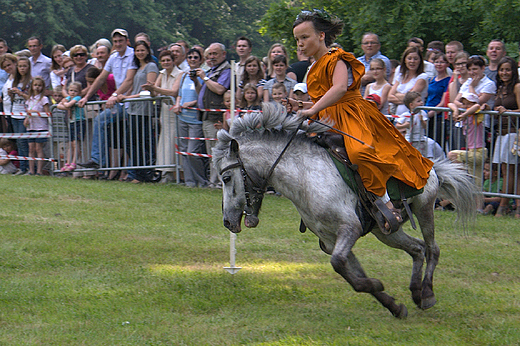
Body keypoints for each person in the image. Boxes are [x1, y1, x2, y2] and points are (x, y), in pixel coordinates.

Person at [293, 10, 433, 233]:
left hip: (352, 115)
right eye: (297, 40)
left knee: (360, 152)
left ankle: (390, 202)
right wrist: (301, 106)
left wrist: (313, 109)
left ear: (321, 35)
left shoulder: (337, 57)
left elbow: (339, 89)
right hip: (326, 118)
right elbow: (321, 99)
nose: (300, 44)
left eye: (304, 37)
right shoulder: (312, 67)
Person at [78, 28, 137, 170]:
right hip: (120, 101)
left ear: (127, 41)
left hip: (132, 100)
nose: (118, 43)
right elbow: (100, 78)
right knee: (103, 122)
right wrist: (86, 96)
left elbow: (129, 80)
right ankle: (98, 160)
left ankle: (101, 160)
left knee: (130, 136)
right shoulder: (114, 57)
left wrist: (114, 95)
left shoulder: (133, 55)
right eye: (115, 41)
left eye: (121, 41)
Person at [115, 40, 158, 183]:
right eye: (137, 50)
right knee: (131, 143)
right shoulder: (139, 67)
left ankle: (143, 174)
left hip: (143, 110)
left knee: (138, 142)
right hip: (133, 109)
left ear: (147, 51)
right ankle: (139, 173)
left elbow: (147, 89)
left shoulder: (151, 66)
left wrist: (127, 97)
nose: (140, 53)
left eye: (142, 50)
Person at [142, 49, 183, 183]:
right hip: (164, 112)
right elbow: (155, 94)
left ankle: (176, 173)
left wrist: (154, 89)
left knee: (173, 141)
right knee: (164, 142)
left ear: (173, 61)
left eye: (168, 60)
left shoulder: (180, 73)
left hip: (175, 111)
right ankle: (165, 172)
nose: (166, 63)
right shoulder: (162, 73)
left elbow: (173, 91)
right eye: (163, 60)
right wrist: (151, 89)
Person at [172, 48, 208, 187]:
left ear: (200, 60)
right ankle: (189, 181)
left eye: (195, 57)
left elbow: (202, 94)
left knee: (192, 152)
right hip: (183, 117)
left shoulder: (203, 75)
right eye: (190, 57)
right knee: (184, 151)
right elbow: (179, 93)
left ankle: (201, 181)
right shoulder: (183, 75)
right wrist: (177, 104)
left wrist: (192, 103)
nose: (192, 59)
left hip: (195, 118)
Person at [196, 42, 231, 188]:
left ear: (223, 54)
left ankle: (219, 182)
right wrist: (196, 80)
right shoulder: (211, 71)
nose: (211, 57)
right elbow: (202, 93)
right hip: (206, 116)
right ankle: (213, 180)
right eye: (209, 54)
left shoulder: (226, 70)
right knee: (211, 150)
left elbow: (220, 89)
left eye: (215, 54)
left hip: (216, 117)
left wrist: (204, 78)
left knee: (217, 150)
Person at [491, 56, 520, 218]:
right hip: (501, 132)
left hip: (514, 132)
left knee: (511, 169)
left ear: (513, 71)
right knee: (506, 169)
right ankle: (515, 207)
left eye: (508, 69)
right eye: (502, 70)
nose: (504, 73)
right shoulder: (500, 88)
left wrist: (507, 111)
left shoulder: (517, 87)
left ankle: (503, 206)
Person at [447, 92, 488, 187]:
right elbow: (450, 103)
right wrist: (456, 111)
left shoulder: (476, 115)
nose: (466, 106)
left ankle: (463, 180)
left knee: (452, 154)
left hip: (478, 152)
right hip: (471, 151)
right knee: (477, 186)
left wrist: (464, 114)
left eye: (469, 103)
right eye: (464, 104)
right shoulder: (466, 115)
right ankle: (476, 200)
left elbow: (477, 106)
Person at [1, 54, 31, 173]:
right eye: (4, 66)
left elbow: (32, 98)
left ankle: (28, 167)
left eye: (9, 65)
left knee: (24, 141)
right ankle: (22, 167)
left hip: (23, 113)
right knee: (18, 141)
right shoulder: (11, 79)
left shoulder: (26, 80)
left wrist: (19, 93)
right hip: (11, 113)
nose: (7, 68)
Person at [395, 91, 444, 160]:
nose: (421, 103)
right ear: (411, 105)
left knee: (420, 155)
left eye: (421, 101)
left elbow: (425, 126)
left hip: (420, 139)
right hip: (408, 139)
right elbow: (397, 125)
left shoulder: (423, 113)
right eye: (418, 101)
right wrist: (405, 125)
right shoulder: (405, 115)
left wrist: (422, 121)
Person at [388, 46, 428, 116]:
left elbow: (412, 98)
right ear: (405, 60)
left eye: (415, 59)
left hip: (414, 117)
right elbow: (389, 97)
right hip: (399, 117)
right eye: (409, 58)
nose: (412, 61)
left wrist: (396, 94)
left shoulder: (422, 77)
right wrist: (405, 97)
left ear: (420, 61)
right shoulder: (400, 76)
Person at [23, 77, 50, 175]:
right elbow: (28, 111)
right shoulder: (30, 99)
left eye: (39, 85)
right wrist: (26, 119)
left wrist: (35, 112)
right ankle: (31, 170)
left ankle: (39, 171)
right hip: (31, 126)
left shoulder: (44, 99)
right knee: (31, 148)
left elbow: (47, 113)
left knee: (39, 148)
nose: (37, 87)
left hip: (41, 127)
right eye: (35, 85)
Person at [57, 82, 86, 172]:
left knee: (75, 143)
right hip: (71, 122)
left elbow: (68, 104)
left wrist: (66, 105)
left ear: (79, 92)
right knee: (70, 144)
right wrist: (66, 104)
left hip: (79, 122)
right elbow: (58, 105)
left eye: (75, 91)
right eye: (71, 90)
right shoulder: (69, 98)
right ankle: (68, 163)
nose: (73, 92)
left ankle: (74, 163)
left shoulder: (77, 98)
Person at [425, 52, 451, 147]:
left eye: (442, 62)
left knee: (437, 145)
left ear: (447, 64)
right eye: (436, 62)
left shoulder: (448, 80)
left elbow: (443, 102)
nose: (439, 64)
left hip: (438, 116)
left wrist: (430, 113)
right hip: (427, 114)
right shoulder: (432, 79)